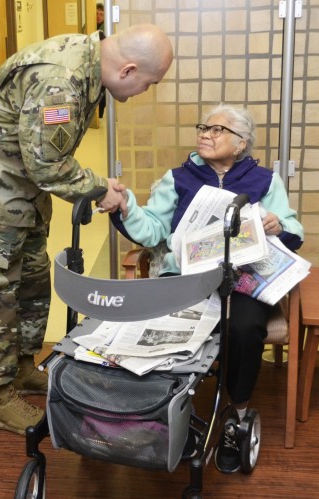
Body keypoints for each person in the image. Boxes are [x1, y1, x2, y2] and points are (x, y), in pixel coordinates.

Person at [0, 24, 173, 436]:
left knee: (30, 280)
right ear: (128, 69)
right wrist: (102, 190)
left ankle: (24, 369)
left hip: (20, 193)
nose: (145, 92)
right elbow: (47, 165)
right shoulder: (61, 79)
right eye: (148, 83)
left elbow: (4, 91)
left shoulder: (82, 54)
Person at [111, 104, 304, 473]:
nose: (205, 134)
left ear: (241, 142)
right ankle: (168, 413)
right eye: (204, 127)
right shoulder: (179, 178)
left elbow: (295, 231)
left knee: (245, 328)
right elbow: (153, 230)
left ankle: (238, 415)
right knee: (166, 321)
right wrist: (125, 206)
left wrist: (279, 224)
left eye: (218, 130)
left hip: (242, 280)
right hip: (185, 279)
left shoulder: (264, 180)